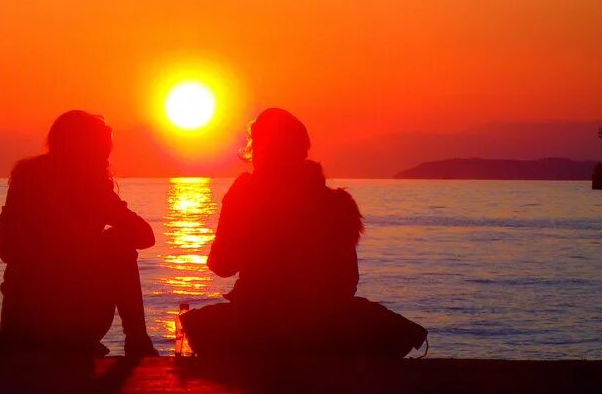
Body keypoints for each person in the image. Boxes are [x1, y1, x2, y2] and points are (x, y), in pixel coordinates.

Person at [179, 107, 427, 358]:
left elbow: (221, 265)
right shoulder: (337, 203)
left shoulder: (245, 195)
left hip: (258, 325)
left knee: (195, 324)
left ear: (262, 151)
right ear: (302, 151)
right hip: (324, 329)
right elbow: (348, 280)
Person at [0, 110, 158, 358]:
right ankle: (137, 342)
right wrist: (100, 241)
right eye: (102, 151)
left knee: (112, 243)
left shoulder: (25, 177)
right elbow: (146, 236)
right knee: (119, 246)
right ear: (87, 149)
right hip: (72, 318)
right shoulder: (90, 186)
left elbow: (6, 250)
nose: (106, 160)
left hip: (20, 320)